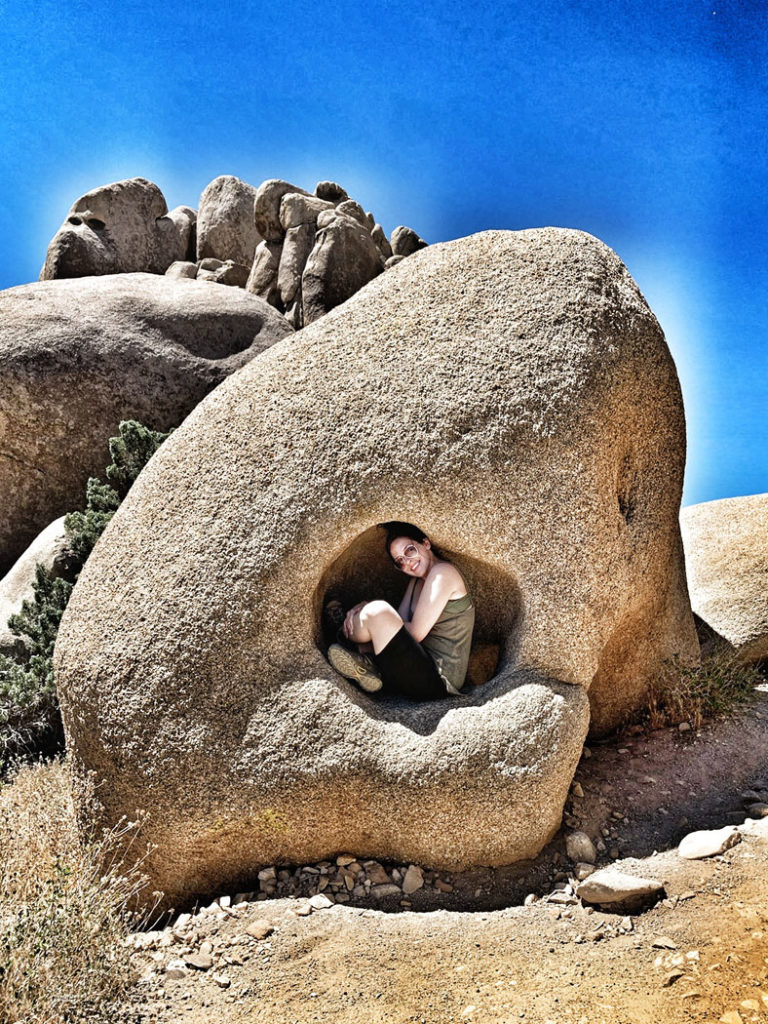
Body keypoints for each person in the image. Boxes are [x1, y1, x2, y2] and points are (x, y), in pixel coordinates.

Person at [327, 522, 475, 700]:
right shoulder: (416, 583)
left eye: (409, 550)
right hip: (412, 666)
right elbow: (397, 623)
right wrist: (371, 611)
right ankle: (366, 662)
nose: (407, 562)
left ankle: (346, 637)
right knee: (378, 612)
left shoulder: (443, 574)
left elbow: (414, 633)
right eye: (400, 561)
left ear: (426, 543)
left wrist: (370, 610)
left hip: (437, 680)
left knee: (378, 611)